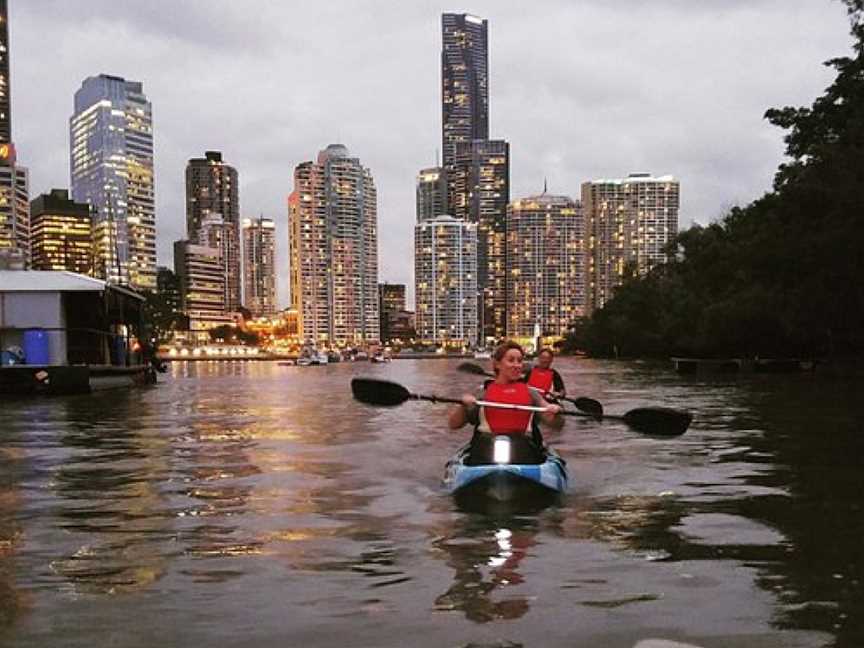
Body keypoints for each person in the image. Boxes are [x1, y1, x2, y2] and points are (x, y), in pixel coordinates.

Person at [449, 341, 562, 464]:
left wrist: (554, 412)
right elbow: (453, 424)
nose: (517, 365)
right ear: (497, 364)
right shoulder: (481, 394)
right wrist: (463, 406)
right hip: (485, 452)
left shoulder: (531, 393)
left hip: (523, 452)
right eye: (511, 360)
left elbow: (556, 424)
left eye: (519, 361)